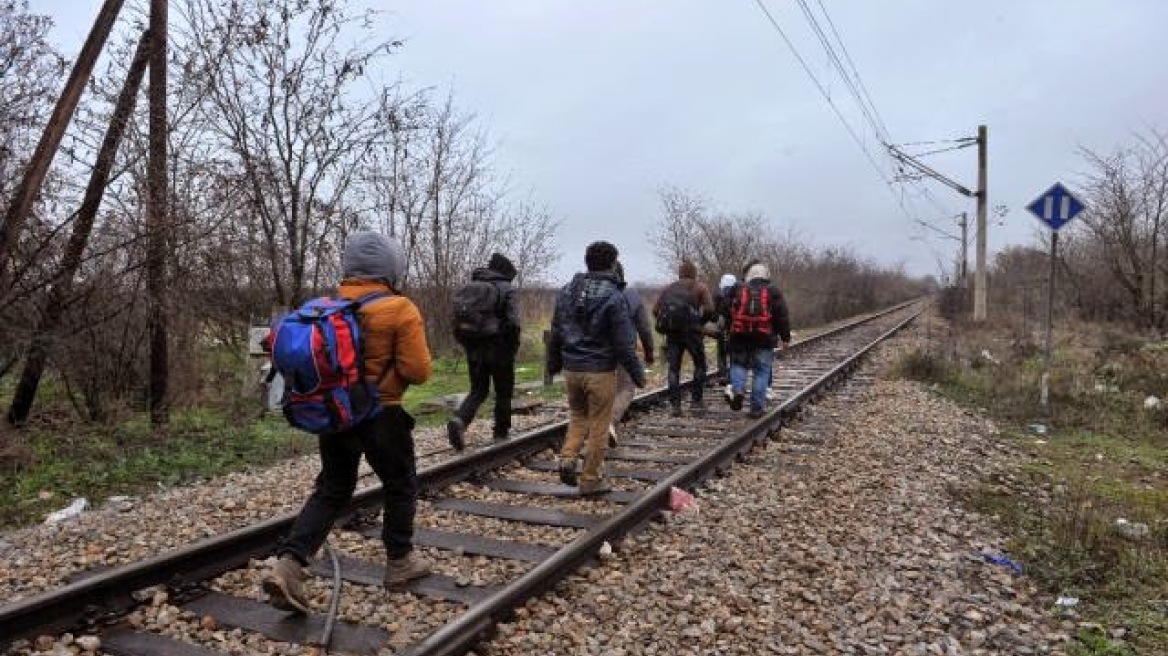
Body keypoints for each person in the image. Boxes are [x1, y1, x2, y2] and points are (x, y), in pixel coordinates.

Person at [264, 231, 433, 613]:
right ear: (391, 267)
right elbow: (418, 370)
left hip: (335, 413)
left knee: (333, 488)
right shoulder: (400, 308)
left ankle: (289, 565)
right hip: (381, 414)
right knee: (400, 484)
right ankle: (400, 562)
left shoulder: (330, 305)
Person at [548, 241, 646, 495]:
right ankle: (590, 479)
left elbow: (556, 331)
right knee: (600, 425)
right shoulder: (614, 296)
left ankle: (568, 458)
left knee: (578, 416)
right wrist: (637, 374)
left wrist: (554, 364)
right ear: (612, 264)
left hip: (572, 369)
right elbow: (624, 342)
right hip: (600, 370)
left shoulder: (566, 291)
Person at [446, 253, 521, 450]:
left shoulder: (472, 287)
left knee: (478, 390)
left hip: (474, 347)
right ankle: (501, 434)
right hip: (500, 348)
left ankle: (460, 421)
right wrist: (512, 346)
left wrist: (467, 344)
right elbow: (513, 322)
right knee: (503, 392)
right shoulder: (507, 289)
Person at [722, 261, 790, 419]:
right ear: (767, 275)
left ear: (748, 275)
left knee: (738, 364)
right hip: (764, 338)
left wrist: (729, 326)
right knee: (762, 371)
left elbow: (724, 308)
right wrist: (785, 337)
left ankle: (738, 389)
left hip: (739, 336)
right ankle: (756, 408)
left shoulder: (737, 288)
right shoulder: (773, 291)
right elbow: (782, 316)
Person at [652, 259, 714, 417]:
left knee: (674, 369)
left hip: (673, 334)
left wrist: (668, 324)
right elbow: (710, 309)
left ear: (680, 273)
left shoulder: (668, 288)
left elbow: (655, 310)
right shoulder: (699, 287)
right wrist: (700, 322)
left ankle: (675, 406)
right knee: (699, 365)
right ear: (694, 273)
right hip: (693, 333)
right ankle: (696, 402)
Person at [608, 260, 655, 447]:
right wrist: (649, 352)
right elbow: (643, 326)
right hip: (623, 348)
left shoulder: (589, 292)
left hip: (594, 350)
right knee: (626, 387)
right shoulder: (630, 294)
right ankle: (609, 422)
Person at [712, 273, 737, 384]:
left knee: (721, 352)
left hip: (722, 327)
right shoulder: (738, 293)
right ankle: (732, 375)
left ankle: (722, 374)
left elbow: (712, 311)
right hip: (735, 327)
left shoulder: (717, 294)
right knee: (733, 352)